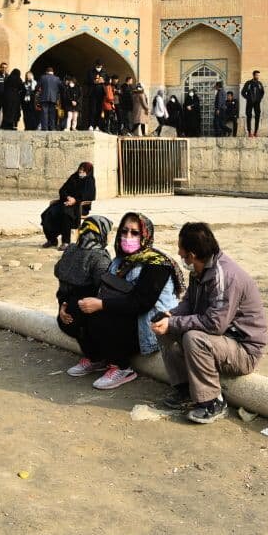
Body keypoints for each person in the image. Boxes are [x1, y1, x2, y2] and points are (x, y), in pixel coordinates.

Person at [152, 222, 267, 424]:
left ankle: (212, 402)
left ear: (193, 254)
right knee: (165, 327)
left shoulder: (225, 277)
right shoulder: (199, 270)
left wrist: (174, 323)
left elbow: (214, 324)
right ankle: (184, 390)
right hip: (220, 341)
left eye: (181, 249)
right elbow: (188, 303)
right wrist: (170, 315)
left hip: (243, 350)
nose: (179, 253)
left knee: (193, 338)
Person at [63, 212, 182, 391]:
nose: (128, 237)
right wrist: (69, 305)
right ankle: (97, 358)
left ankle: (122, 367)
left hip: (148, 326)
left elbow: (141, 303)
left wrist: (101, 305)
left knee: (99, 316)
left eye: (135, 233)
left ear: (145, 235)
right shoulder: (120, 260)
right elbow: (105, 290)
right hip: (125, 314)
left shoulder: (157, 264)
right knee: (75, 308)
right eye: (124, 231)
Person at [54, 214, 114, 364]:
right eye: (110, 232)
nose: (111, 236)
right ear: (102, 233)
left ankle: (92, 358)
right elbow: (105, 290)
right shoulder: (99, 258)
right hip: (82, 320)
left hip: (64, 316)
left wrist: (63, 305)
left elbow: (60, 277)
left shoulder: (71, 250)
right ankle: (101, 360)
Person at [41, 162, 96, 248]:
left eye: (83, 170)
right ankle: (52, 240)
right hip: (65, 202)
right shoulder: (73, 177)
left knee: (66, 214)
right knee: (47, 214)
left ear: (88, 171)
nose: (81, 172)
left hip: (79, 206)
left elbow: (89, 196)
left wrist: (75, 200)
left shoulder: (89, 181)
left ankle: (66, 242)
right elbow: (62, 190)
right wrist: (68, 197)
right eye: (80, 169)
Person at [241, 71, 264, 138]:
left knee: (257, 116)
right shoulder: (248, 83)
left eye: (258, 75)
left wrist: (259, 99)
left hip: (257, 103)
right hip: (250, 103)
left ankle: (255, 132)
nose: (257, 76)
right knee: (249, 116)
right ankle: (249, 132)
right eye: (256, 75)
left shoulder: (259, 83)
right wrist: (248, 98)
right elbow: (243, 92)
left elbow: (262, 92)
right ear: (253, 75)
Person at [38, 67, 62, 132]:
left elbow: (37, 87)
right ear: (53, 72)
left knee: (44, 113)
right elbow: (61, 88)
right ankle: (52, 128)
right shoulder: (57, 79)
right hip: (53, 98)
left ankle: (45, 128)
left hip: (44, 98)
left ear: (46, 72)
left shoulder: (43, 77)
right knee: (52, 114)